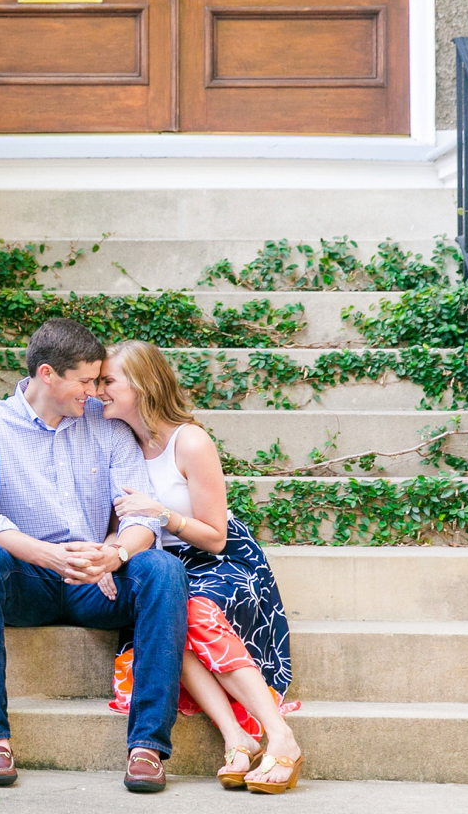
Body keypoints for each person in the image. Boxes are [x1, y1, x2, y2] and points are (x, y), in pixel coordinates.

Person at [0, 318, 188, 794]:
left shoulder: (107, 427)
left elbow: (140, 514)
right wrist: (47, 556)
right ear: (47, 375)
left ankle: (147, 748)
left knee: (163, 568)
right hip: (27, 580)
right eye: (86, 381)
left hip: (96, 581)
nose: (96, 391)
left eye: (100, 380)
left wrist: (114, 554)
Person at [98, 339, 304, 794]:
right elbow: (119, 522)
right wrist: (107, 554)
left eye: (108, 381)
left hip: (221, 560)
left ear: (142, 384)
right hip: (160, 564)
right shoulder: (119, 445)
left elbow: (216, 536)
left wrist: (163, 514)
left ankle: (281, 738)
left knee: (190, 612)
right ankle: (237, 736)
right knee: (168, 610)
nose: (98, 390)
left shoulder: (189, 441)